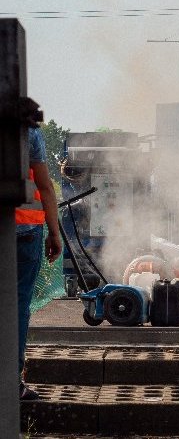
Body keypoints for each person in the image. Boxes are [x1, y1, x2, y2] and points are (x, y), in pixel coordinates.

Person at [16, 124, 62, 400]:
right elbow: (45, 186)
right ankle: (12, 384)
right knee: (17, 305)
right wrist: (54, 233)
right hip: (25, 232)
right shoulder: (28, 130)